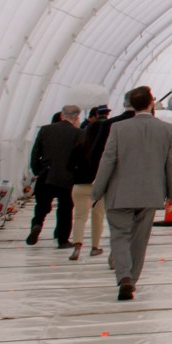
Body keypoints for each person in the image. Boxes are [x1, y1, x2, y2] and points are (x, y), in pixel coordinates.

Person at [90, 85, 172, 301]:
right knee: (140, 239)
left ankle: (124, 277)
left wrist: (96, 192)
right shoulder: (167, 130)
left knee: (119, 236)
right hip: (150, 194)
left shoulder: (119, 129)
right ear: (151, 103)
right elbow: (171, 164)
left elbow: (107, 161)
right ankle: (133, 278)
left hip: (120, 194)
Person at [26, 106, 82, 248]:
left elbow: (35, 153)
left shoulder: (45, 130)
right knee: (65, 208)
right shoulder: (79, 133)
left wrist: (37, 170)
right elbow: (81, 156)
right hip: (66, 176)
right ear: (76, 117)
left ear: (62, 115)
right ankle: (62, 239)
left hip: (46, 174)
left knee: (42, 205)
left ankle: (37, 224)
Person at [65, 105, 115, 259]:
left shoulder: (80, 147)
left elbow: (69, 166)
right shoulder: (104, 150)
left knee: (80, 216)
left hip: (80, 186)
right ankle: (95, 247)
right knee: (98, 216)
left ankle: (77, 246)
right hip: (98, 186)